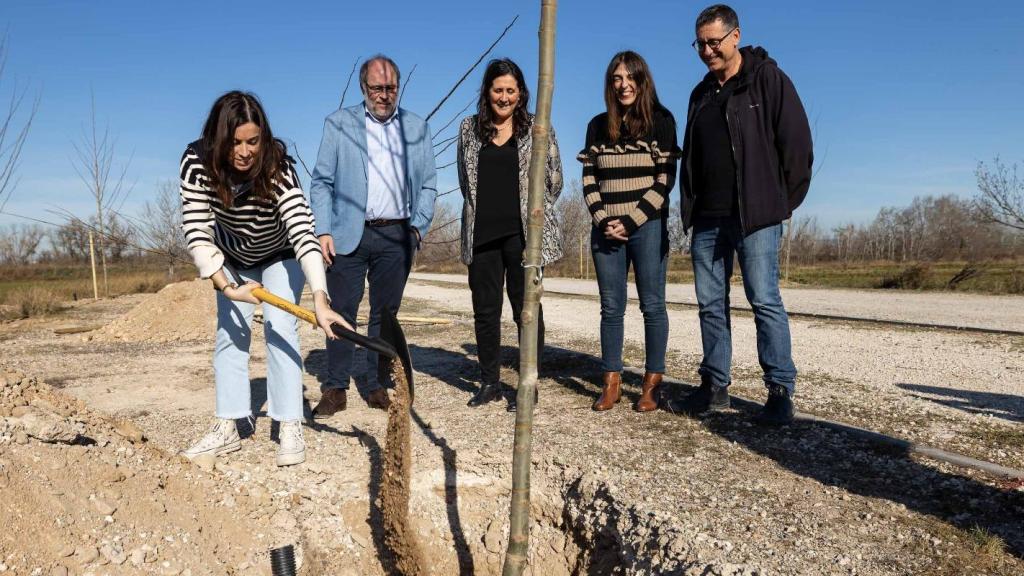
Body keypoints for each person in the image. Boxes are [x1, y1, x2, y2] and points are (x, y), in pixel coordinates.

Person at [179, 91, 348, 467]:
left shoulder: (277, 165)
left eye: (252, 141)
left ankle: (288, 422)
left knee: (280, 327)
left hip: (279, 254)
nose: (244, 152)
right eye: (235, 143)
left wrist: (320, 298)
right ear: (218, 140)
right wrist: (228, 287)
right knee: (231, 332)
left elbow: (303, 232)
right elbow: (197, 231)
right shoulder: (196, 162)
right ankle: (229, 425)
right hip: (231, 259)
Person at [667, 4, 813, 425]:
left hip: (756, 217)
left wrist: (781, 202)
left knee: (764, 300)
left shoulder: (766, 79)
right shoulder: (700, 93)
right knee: (710, 305)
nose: (708, 50)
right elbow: (692, 156)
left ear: (735, 36)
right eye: (701, 43)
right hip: (708, 218)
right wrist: (690, 205)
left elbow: (797, 145)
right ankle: (715, 387)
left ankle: (780, 390)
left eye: (715, 42)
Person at [309, 55, 437, 418]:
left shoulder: (416, 127)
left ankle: (375, 383)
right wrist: (323, 230)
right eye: (377, 88)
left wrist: (416, 228)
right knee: (340, 311)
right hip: (348, 235)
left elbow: (428, 183)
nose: (384, 95)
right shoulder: (339, 124)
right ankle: (335, 388)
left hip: (396, 235)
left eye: (391, 88)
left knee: (385, 314)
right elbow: (322, 181)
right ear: (364, 88)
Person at [456, 58, 563, 410]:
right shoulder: (468, 129)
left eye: (511, 91)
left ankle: (527, 384)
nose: (504, 97)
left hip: (524, 236)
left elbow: (554, 179)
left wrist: (534, 215)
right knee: (485, 311)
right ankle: (489, 382)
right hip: (482, 233)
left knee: (526, 310)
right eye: (497, 90)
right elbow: (465, 182)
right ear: (487, 92)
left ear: (522, 93)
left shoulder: (538, 128)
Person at [579, 51, 679, 413]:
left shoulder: (662, 121)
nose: (624, 85)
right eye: (616, 79)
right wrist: (604, 218)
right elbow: (589, 178)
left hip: (647, 226)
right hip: (605, 228)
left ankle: (652, 384)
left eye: (630, 77)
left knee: (652, 304)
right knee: (611, 307)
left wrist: (633, 219)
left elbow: (665, 180)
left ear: (642, 80)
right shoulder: (597, 125)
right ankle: (611, 381)